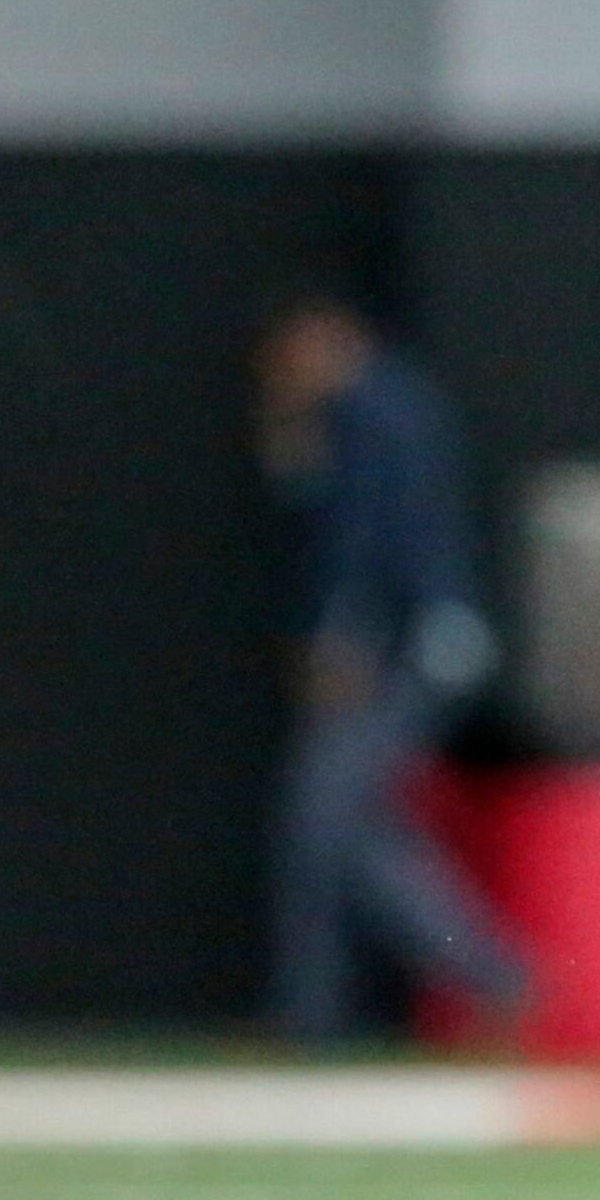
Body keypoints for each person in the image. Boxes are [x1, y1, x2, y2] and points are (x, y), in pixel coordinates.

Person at [253, 297, 526, 1048]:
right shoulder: (396, 405)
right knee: (352, 831)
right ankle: (488, 975)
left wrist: (339, 637)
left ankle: (317, 1014)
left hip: (396, 647)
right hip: (418, 641)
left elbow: (362, 536)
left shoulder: (372, 414)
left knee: (320, 824)